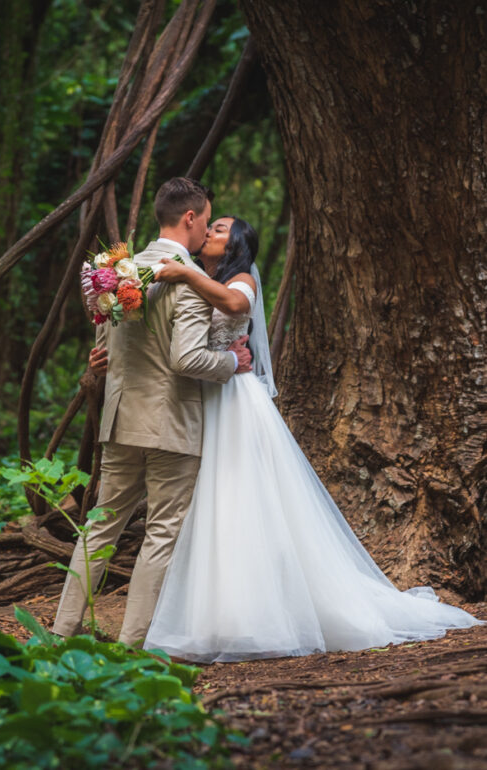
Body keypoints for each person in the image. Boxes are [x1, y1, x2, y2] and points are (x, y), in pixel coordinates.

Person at [143, 215, 482, 663]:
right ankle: (215, 615)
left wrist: (185, 274)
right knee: (211, 501)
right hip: (204, 396)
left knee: (238, 497)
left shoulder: (240, 281)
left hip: (236, 401)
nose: (210, 232)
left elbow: (235, 305)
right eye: (211, 226)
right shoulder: (198, 280)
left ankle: (257, 617)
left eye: (221, 229)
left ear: (237, 245)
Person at [52, 179, 252, 644]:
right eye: (207, 220)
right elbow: (187, 360)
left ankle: (60, 633)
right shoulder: (187, 278)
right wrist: (231, 361)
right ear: (190, 217)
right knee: (160, 534)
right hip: (173, 422)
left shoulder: (116, 272)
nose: (207, 230)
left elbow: (104, 348)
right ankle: (131, 645)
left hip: (121, 418)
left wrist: (102, 364)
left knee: (100, 527)